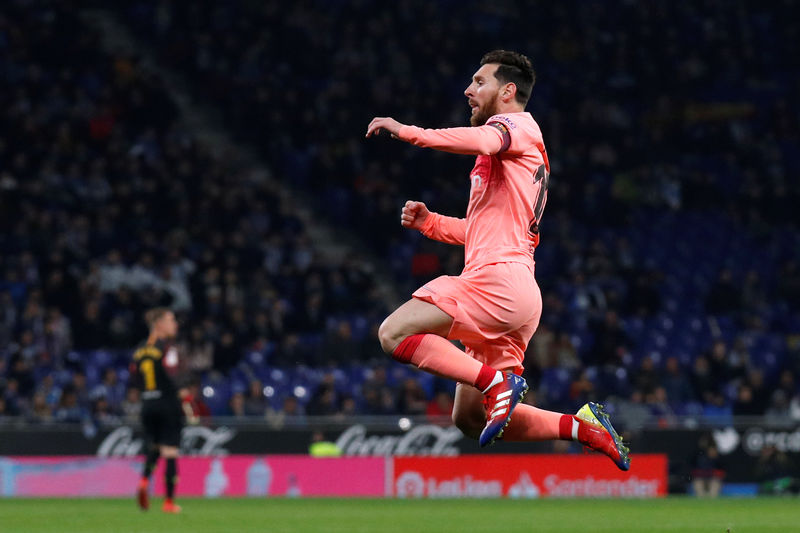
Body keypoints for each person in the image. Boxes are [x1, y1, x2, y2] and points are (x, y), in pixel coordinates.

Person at [366, 49, 628, 469]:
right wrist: (431, 223)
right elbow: (483, 231)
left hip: (496, 283)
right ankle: (583, 428)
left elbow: (485, 138)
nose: (469, 90)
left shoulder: (514, 125)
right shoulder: (515, 156)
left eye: (479, 82)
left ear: (508, 91)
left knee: (392, 333)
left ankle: (498, 381)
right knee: (470, 418)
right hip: (517, 292)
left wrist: (409, 132)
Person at [132, 307, 184, 513]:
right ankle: (169, 502)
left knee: (154, 447)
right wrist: (183, 390)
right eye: (171, 320)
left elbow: (136, 378)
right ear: (159, 324)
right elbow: (173, 374)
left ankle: (144, 480)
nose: (175, 324)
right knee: (170, 451)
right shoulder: (167, 348)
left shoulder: (139, 350)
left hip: (147, 404)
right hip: (167, 403)